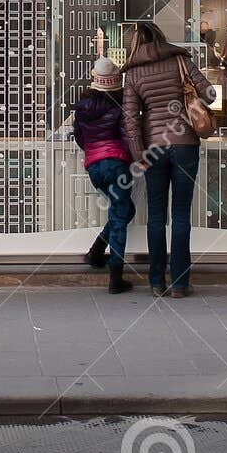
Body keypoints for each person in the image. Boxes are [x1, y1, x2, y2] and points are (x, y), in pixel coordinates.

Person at [123, 21, 215, 298]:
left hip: (154, 148)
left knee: (156, 216)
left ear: (135, 43)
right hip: (185, 143)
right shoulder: (181, 61)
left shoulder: (134, 73)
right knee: (181, 215)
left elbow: (130, 119)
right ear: (161, 36)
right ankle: (180, 284)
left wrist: (140, 154)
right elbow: (210, 94)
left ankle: (155, 282)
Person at [71, 57, 135, 294]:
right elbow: (127, 136)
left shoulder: (83, 105)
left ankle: (96, 251)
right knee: (120, 216)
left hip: (94, 166)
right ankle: (115, 276)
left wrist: (93, 152)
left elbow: (79, 136)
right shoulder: (119, 105)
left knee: (125, 211)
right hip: (116, 163)